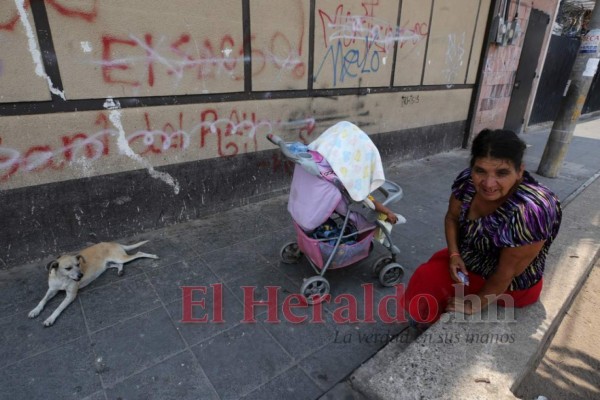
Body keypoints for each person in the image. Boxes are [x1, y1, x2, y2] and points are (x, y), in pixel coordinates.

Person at [402, 129, 562, 324]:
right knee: (429, 272)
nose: (488, 183)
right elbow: (452, 218)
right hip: (470, 260)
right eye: (480, 171)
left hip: (508, 286)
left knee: (431, 280)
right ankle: (424, 319)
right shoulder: (467, 182)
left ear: (520, 171)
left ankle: (425, 322)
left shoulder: (531, 209)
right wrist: (454, 254)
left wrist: (474, 304)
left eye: (502, 173)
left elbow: (508, 272)